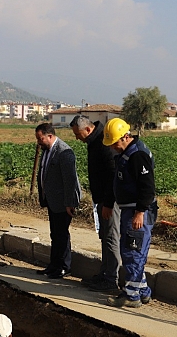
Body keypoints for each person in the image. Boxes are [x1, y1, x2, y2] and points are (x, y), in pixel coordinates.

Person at [102, 118, 157, 308]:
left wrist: (140, 212)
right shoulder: (125, 154)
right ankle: (142, 291)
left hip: (138, 211)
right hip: (129, 209)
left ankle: (131, 295)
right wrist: (109, 202)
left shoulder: (137, 155)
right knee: (133, 252)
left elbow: (147, 187)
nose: (113, 147)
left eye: (114, 143)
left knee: (133, 253)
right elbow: (115, 181)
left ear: (125, 137)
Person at [70, 116, 121, 293]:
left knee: (111, 237)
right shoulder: (94, 142)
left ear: (88, 129)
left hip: (110, 202)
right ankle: (104, 274)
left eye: (78, 134)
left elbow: (111, 175)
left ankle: (111, 279)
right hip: (101, 200)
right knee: (105, 236)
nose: (77, 138)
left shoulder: (103, 143)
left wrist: (107, 202)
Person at [35, 122, 81, 279]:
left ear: (50, 136)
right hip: (52, 200)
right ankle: (53, 265)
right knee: (55, 233)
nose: (38, 142)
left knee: (61, 234)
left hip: (63, 202)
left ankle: (64, 266)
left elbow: (70, 181)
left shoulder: (64, 152)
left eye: (40, 139)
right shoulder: (47, 150)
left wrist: (70, 203)